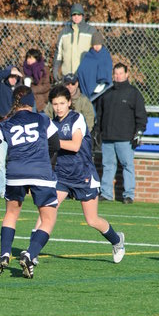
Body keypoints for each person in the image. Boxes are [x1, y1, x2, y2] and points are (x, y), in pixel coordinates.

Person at [0, 85, 61, 279]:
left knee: (11, 213)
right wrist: (45, 162)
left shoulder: (6, 123)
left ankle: (5, 253)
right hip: (41, 172)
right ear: (31, 102)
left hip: (16, 173)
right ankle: (30, 254)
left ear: (14, 102)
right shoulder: (43, 119)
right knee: (48, 219)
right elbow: (55, 145)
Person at [35, 85, 125, 263]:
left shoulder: (77, 119)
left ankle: (117, 240)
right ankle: (33, 252)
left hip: (83, 175)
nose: (59, 107)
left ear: (69, 102)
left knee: (92, 220)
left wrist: (51, 142)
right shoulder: (52, 124)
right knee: (47, 211)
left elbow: (75, 146)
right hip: (61, 176)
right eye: (55, 104)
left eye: (62, 103)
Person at [96, 62, 148, 203]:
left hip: (125, 139)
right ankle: (106, 194)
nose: (118, 76)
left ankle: (128, 195)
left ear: (126, 74)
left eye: (120, 73)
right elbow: (100, 115)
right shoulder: (106, 94)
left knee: (127, 166)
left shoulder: (134, 93)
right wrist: (98, 132)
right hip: (108, 138)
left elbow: (141, 116)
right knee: (108, 166)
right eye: (116, 74)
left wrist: (139, 132)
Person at [0, 65, 24, 197]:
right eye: (11, 76)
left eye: (15, 77)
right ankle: (3, 191)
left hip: (15, 129)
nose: (13, 79)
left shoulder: (20, 91)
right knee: (0, 161)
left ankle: (17, 189)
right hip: (0, 127)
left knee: (16, 160)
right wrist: (9, 71)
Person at [52, 3, 95, 82]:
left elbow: (97, 52)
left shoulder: (91, 31)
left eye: (78, 14)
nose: (76, 17)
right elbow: (58, 53)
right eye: (74, 14)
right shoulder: (64, 32)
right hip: (67, 74)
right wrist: (55, 68)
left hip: (85, 74)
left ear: (82, 15)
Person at [77, 30, 113, 101]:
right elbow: (82, 69)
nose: (96, 47)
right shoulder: (88, 55)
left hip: (101, 88)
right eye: (94, 44)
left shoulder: (105, 55)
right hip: (87, 87)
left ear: (102, 44)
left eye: (98, 44)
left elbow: (106, 70)